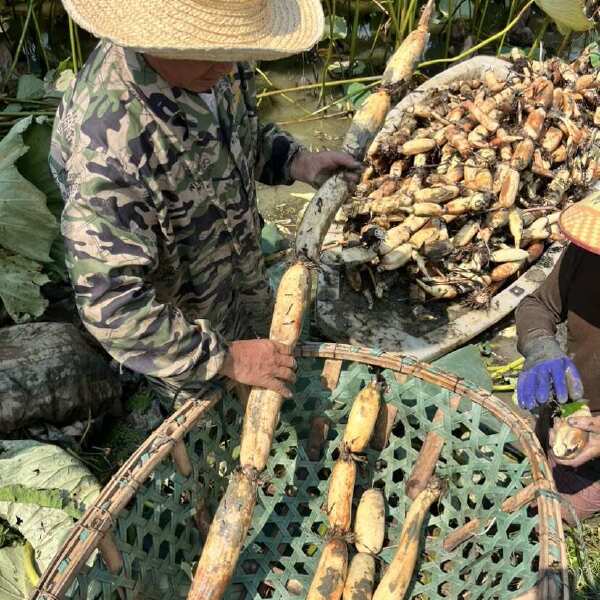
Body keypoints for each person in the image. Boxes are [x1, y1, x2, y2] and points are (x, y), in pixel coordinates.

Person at [50, 0, 362, 404]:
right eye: (214, 53)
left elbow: (237, 134)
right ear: (156, 35)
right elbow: (111, 305)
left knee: (271, 364)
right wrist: (225, 359)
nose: (230, 68)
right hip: (183, 329)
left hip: (239, 276)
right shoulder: (108, 147)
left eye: (235, 51)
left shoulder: (218, 62)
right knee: (214, 421)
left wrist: (296, 161)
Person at [515, 190, 600, 523]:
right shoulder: (589, 254)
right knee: (535, 472)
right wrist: (540, 344)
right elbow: (539, 305)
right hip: (575, 403)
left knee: (563, 514)